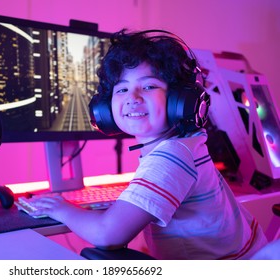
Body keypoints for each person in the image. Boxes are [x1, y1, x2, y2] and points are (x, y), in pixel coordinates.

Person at [31, 29, 268, 259]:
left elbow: (108, 234)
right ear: (105, 107)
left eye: (149, 86)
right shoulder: (190, 144)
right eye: (122, 89)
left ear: (180, 100)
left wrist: (61, 208)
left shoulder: (172, 156)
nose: (132, 98)